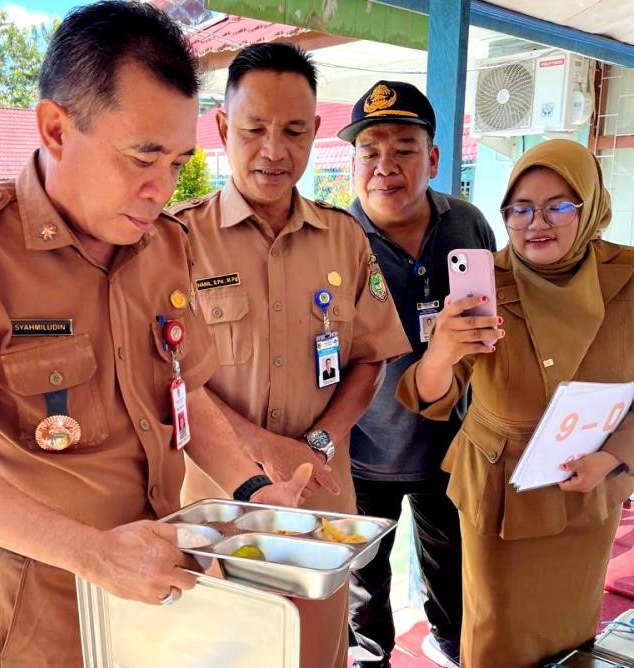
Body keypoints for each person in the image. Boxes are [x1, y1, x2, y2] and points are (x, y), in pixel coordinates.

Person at [0, 5, 310, 667]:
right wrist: (94, 554)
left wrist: (253, 492)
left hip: (169, 584)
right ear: (56, 128)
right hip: (48, 606)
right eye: (142, 157)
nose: (159, 188)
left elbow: (186, 392)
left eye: (175, 163)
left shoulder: (167, 244)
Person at [172, 43, 410, 668]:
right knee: (221, 651)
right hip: (216, 505)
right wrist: (262, 445)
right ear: (223, 128)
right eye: (253, 130)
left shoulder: (344, 237)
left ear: (314, 135)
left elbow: (370, 356)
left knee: (318, 649)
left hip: (321, 496)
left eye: (294, 131)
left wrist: (325, 437)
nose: (274, 151)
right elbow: (163, 376)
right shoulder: (173, 241)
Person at [396, 138, 634, 667]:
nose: (535, 223)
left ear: (591, 205)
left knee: (571, 634)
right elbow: (427, 396)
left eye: (558, 206)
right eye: (519, 208)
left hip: (590, 485)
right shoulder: (484, 284)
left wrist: (614, 456)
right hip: (503, 490)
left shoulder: (629, 276)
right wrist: (442, 351)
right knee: (498, 636)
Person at [337, 80, 496, 668]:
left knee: (454, 577)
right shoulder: (334, 239)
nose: (386, 166)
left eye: (404, 149)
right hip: (358, 455)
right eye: (370, 151)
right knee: (362, 590)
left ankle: (453, 653)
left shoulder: (467, 225)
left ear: (431, 158)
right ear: (353, 163)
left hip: (450, 448)